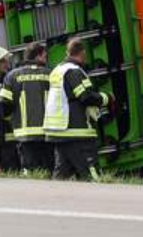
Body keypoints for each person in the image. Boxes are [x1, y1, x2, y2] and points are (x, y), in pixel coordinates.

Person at [44, 38, 113, 180]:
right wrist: (107, 98)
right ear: (82, 52)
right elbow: (85, 97)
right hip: (77, 132)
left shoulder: (57, 70)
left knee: (61, 177)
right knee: (92, 174)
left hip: (58, 132)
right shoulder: (74, 72)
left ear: (67, 52)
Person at [0, 42, 54, 174]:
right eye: (45, 56)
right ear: (38, 56)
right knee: (49, 171)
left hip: (25, 136)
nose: (46, 60)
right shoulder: (51, 74)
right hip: (48, 133)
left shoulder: (12, 76)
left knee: (30, 173)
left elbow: (3, 102)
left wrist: (10, 118)